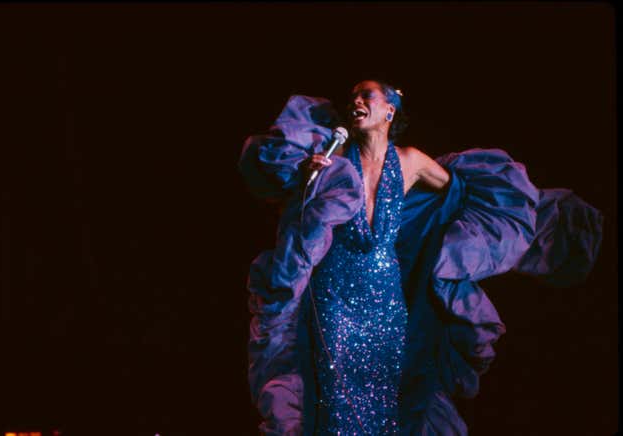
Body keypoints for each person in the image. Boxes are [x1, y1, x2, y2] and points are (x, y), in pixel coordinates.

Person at [238, 80, 602, 435]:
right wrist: (308, 175)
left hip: (386, 306)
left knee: (384, 403)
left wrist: (434, 234)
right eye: (352, 97)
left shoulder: (409, 162)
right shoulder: (334, 158)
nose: (356, 101)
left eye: (366, 95)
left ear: (390, 110)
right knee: (336, 400)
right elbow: (283, 191)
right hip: (334, 299)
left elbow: (459, 194)